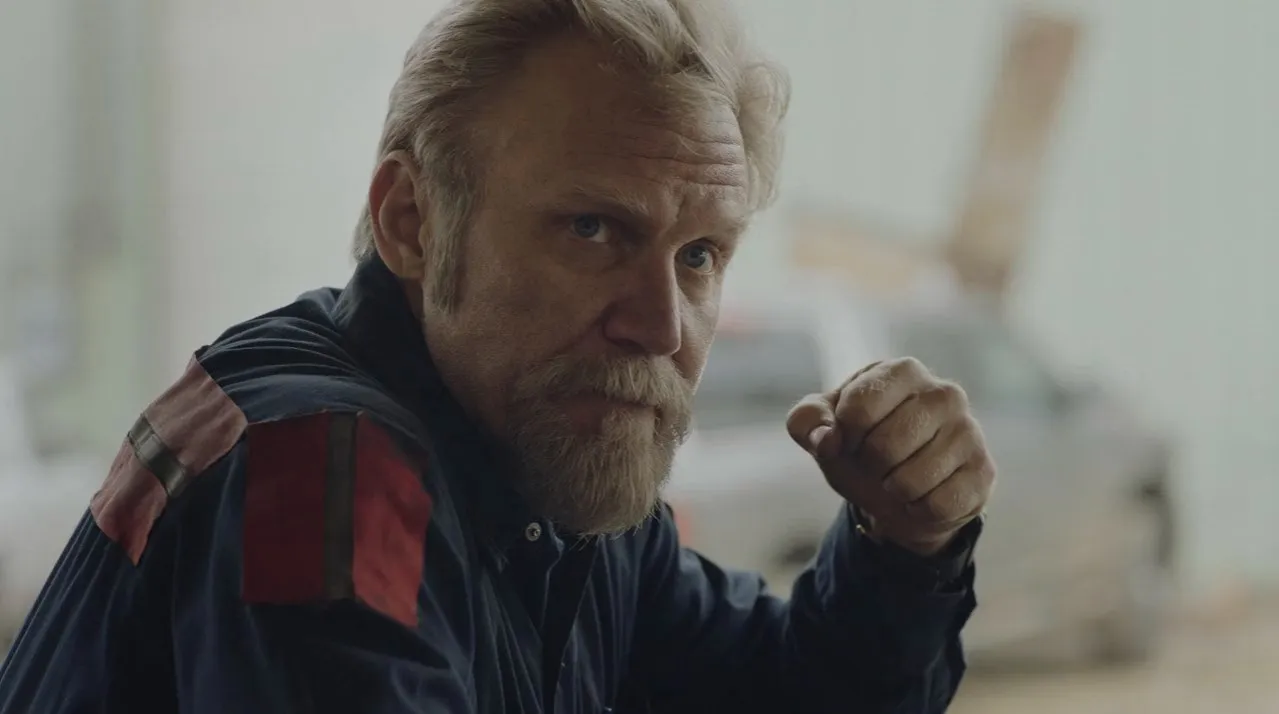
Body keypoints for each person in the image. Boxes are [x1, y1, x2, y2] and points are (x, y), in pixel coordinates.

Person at [0, 0, 995, 711]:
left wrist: (904, 543)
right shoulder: (325, 470)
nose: (659, 325)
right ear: (412, 221)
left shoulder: (553, 471)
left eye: (698, 255)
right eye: (592, 229)